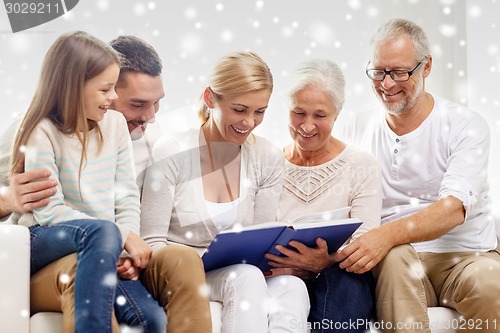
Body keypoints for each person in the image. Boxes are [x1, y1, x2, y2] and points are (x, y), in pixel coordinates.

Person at [1, 35, 212, 332]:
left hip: (110, 247)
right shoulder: (34, 129)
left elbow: (127, 201)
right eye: (137, 104)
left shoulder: (134, 132)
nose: (150, 117)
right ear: (76, 89)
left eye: (157, 104)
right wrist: (9, 199)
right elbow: (48, 213)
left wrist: (126, 251)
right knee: (98, 242)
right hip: (55, 244)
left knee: (170, 282)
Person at [337, 18, 500, 333]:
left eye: (399, 72)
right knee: (394, 255)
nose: (387, 84)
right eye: (378, 72)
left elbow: (453, 209)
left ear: (426, 67)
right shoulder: (354, 129)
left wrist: (383, 235)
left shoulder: (466, 125)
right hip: (399, 260)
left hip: (466, 255)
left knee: (490, 284)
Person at [140, 51, 310, 332]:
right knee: (245, 277)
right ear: (210, 99)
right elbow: (153, 240)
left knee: (292, 286)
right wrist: (195, 262)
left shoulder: (266, 156)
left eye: (260, 112)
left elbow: (262, 236)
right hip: (180, 274)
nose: (249, 123)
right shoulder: (172, 150)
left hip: (237, 271)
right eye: (239, 109)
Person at [264, 59, 381, 332]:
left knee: (345, 281)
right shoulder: (267, 163)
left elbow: (365, 242)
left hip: (341, 276)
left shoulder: (361, 164)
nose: (307, 126)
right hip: (281, 276)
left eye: (320, 115)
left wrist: (325, 261)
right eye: (298, 113)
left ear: (337, 114)